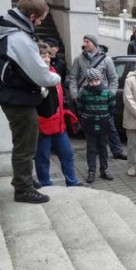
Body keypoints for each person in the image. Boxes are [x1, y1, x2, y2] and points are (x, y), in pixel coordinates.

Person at [0, 0, 61, 203]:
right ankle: (23, 188)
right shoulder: (19, 38)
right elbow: (41, 74)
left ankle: (25, 179)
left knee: (23, 140)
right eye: (39, 19)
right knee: (26, 143)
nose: (39, 23)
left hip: (9, 94)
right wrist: (56, 77)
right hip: (18, 98)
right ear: (31, 16)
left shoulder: (2, 30)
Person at [68, 34, 127, 160]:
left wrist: (110, 94)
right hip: (86, 99)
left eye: (87, 41)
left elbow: (113, 79)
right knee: (89, 127)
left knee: (109, 125)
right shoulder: (78, 59)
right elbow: (73, 78)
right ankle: (94, 150)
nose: (85, 44)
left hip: (103, 100)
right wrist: (75, 95)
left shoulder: (106, 60)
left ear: (94, 43)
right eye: (84, 41)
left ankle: (117, 150)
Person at [34, 42, 81, 187]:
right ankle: (46, 185)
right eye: (43, 56)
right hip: (43, 128)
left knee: (67, 154)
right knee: (43, 159)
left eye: (48, 55)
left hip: (60, 126)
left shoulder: (54, 73)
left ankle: (72, 183)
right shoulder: (34, 77)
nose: (47, 58)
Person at [76, 69, 116, 183]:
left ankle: (104, 170)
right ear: (88, 81)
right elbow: (80, 107)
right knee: (91, 149)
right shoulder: (84, 92)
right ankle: (91, 171)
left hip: (104, 123)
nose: (94, 83)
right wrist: (84, 117)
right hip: (90, 124)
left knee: (103, 147)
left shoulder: (107, 92)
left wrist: (107, 117)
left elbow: (112, 106)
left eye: (96, 80)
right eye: (91, 81)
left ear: (101, 80)